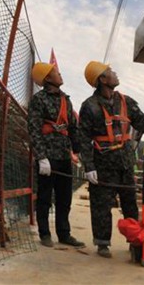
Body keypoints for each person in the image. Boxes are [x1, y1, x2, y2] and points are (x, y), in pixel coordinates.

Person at [77, 61, 144, 258]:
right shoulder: (89, 107)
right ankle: (102, 243)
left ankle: (135, 242)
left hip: (125, 163)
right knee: (101, 204)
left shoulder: (126, 102)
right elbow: (83, 138)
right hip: (103, 164)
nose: (115, 73)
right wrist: (88, 166)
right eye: (110, 71)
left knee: (130, 205)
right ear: (102, 79)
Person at [27, 62, 85, 248]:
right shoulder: (39, 100)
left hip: (63, 155)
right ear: (47, 78)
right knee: (44, 197)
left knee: (64, 198)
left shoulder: (65, 100)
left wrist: (77, 150)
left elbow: (72, 128)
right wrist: (41, 156)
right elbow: (34, 129)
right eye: (56, 73)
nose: (60, 74)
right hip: (48, 157)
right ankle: (45, 233)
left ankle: (64, 234)